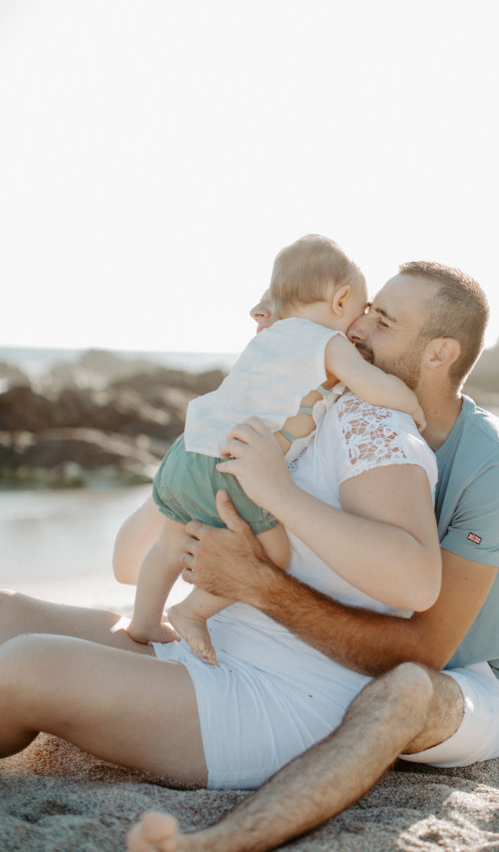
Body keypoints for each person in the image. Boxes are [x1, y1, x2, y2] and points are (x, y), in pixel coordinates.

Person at [126, 260, 499, 852]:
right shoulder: (354, 417)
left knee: (405, 688)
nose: (356, 331)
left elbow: (428, 647)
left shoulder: (496, 466)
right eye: (365, 313)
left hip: (475, 681)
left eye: (382, 323)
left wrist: (259, 582)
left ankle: (222, 842)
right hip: (365, 657)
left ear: (438, 354)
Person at [0, 264, 443, 797]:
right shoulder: (254, 417)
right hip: (203, 650)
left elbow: (417, 581)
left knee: (22, 667)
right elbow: (126, 562)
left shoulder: (370, 418)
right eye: (263, 302)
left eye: (278, 303)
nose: (258, 312)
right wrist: (186, 490)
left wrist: (278, 494)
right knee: (8, 612)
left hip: (275, 696)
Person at [128, 234, 426, 664]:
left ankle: (143, 620)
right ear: (342, 300)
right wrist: (411, 404)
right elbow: (372, 384)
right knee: (276, 554)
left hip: (187, 450)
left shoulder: (265, 338)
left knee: (168, 543)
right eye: (361, 310)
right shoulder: (328, 343)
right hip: (229, 463)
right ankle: (191, 611)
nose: (359, 325)